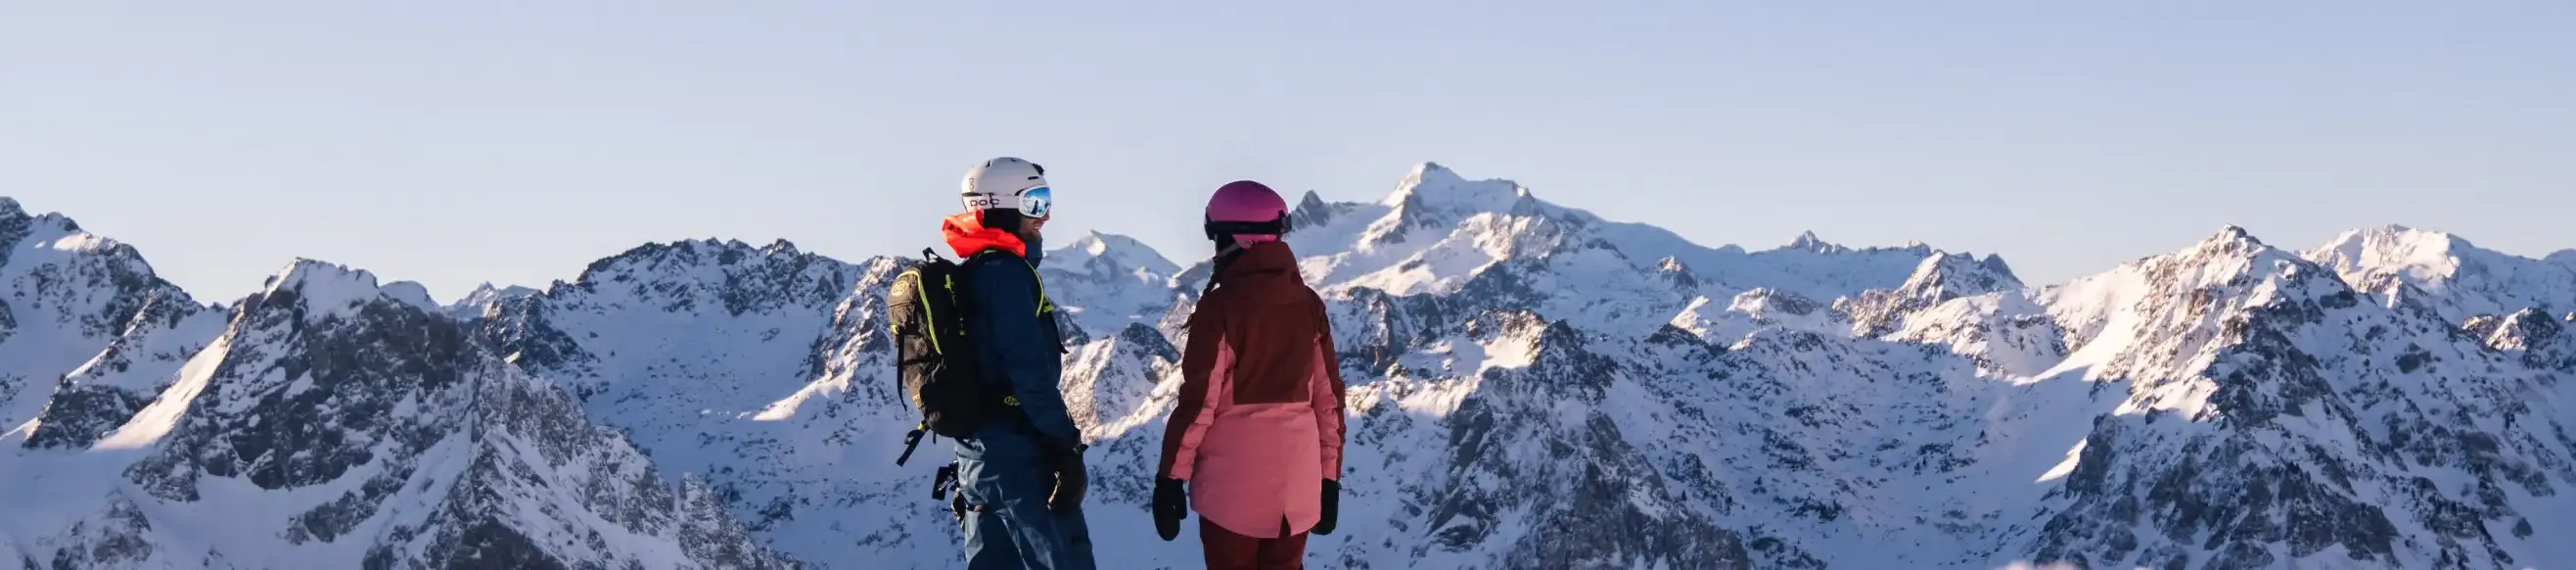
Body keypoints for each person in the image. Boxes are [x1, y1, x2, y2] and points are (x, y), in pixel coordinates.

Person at [1153, 180, 1348, 570]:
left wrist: (1170, 478)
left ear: (1234, 240)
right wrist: (1329, 479)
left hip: (1232, 494)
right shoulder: (1308, 304)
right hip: (1298, 491)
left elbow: (1200, 405)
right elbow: (1328, 402)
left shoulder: (1220, 307)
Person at [943, 157, 1094, 570]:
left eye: (1045, 200)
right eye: (1034, 202)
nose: (1044, 216)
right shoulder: (1008, 275)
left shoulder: (970, 272)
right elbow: (1029, 373)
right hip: (1020, 455)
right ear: (998, 207)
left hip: (979, 458)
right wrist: (1065, 448)